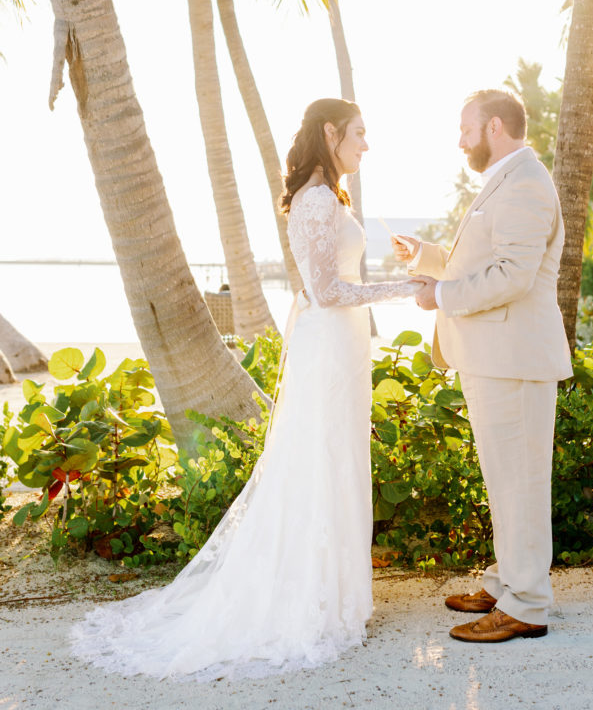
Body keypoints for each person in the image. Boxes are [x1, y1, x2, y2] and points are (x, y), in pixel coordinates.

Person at [71, 97, 422, 680]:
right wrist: (405, 288)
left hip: (341, 348)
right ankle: (311, 601)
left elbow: (336, 278)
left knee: (338, 460)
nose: (367, 143)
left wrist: (395, 266)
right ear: (331, 133)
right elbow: (328, 292)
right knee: (317, 461)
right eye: (360, 133)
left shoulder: (329, 197)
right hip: (327, 349)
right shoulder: (312, 200)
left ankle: (338, 595)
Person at [394, 89, 571, 643]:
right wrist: (428, 258)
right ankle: (507, 586)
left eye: (466, 128)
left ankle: (527, 606)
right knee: (505, 481)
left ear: (495, 126)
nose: (460, 139)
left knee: (519, 484)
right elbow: (485, 264)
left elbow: (512, 277)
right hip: (497, 357)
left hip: (513, 361)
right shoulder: (507, 180)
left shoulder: (524, 184)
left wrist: (440, 297)